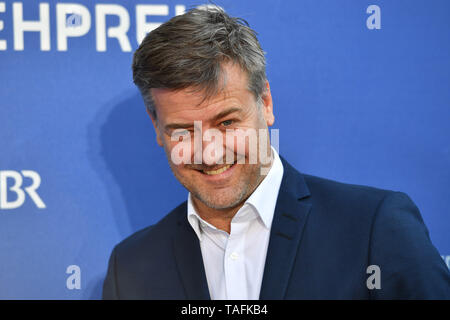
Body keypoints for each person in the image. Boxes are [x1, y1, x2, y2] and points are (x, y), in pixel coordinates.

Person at [102, 7, 450, 299]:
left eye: (225, 122)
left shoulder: (373, 228)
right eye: (182, 131)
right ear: (155, 126)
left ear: (265, 102)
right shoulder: (131, 267)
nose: (208, 153)